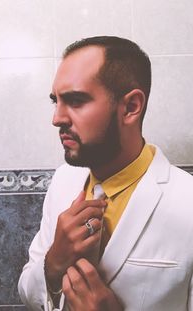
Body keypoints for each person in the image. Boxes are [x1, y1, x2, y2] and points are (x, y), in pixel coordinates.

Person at [18, 36, 193, 311]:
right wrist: (52, 265)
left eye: (75, 100)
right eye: (56, 101)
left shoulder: (188, 203)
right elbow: (27, 292)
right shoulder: (63, 181)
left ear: (130, 107)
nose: (57, 118)